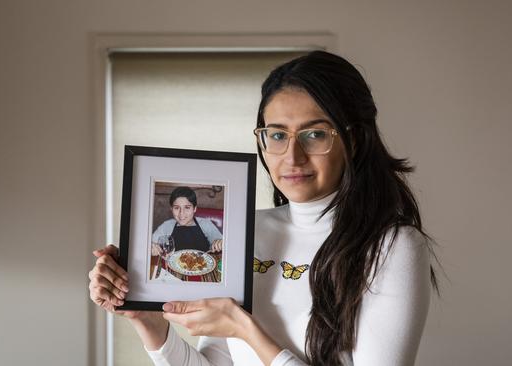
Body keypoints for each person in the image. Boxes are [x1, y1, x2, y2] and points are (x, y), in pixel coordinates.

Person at [88, 50, 438, 366]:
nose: (292, 156)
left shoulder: (393, 246)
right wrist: (148, 323)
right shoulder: (248, 230)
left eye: (315, 134)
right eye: (277, 134)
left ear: (354, 140)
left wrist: (244, 329)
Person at [152, 186, 223, 254]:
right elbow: (148, 243)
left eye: (187, 207)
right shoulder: (166, 226)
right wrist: (151, 247)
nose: (181, 213)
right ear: (171, 209)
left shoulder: (205, 224)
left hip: (202, 265)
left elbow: (223, 243)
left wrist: (220, 243)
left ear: (194, 209)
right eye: (176, 208)